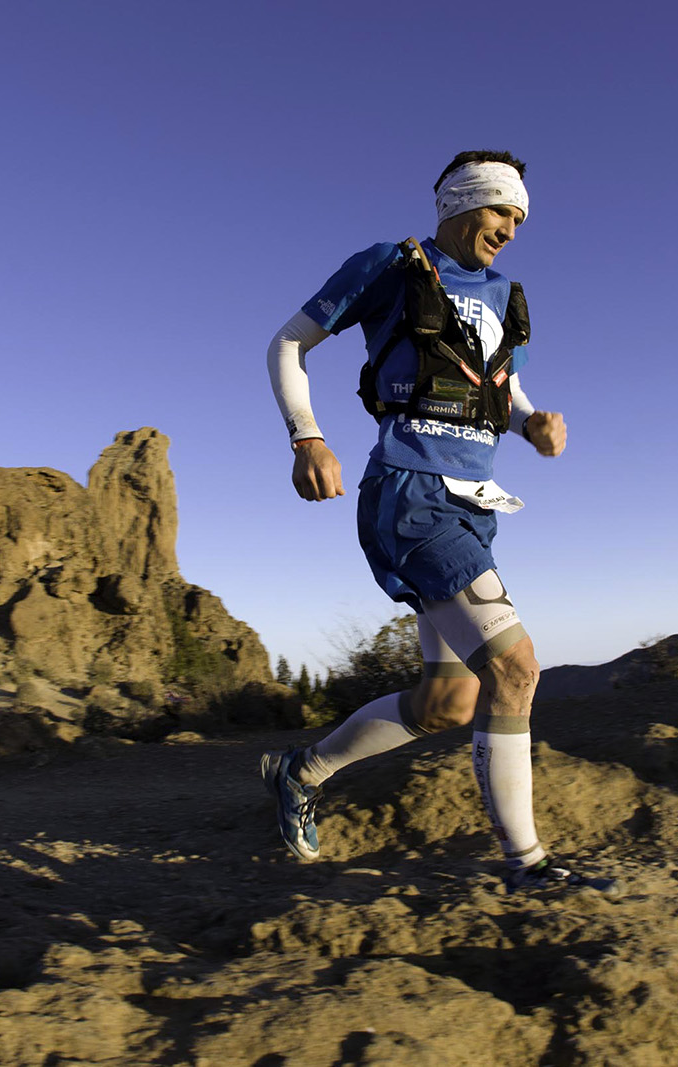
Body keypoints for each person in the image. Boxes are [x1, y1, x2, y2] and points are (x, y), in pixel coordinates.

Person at [260, 151, 614, 894]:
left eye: (519, 219)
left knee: (444, 704)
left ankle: (302, 769)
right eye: (499, 212)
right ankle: (529, 868)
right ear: (460, 202)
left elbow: (498, 383)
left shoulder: (503, 293)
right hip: (409, 496)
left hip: (473, 505)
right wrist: (307, 437)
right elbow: (288, 343)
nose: (509, 230)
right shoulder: (392, 264)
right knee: (515, 670)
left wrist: (530, 424)